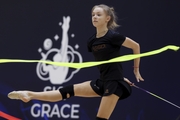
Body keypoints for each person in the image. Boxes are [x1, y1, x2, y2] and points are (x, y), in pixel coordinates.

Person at [8, 4, 144, 120]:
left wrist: (135, 69)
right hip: (104, 80)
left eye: (98, 15)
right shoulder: (92, 41)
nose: (95, 17)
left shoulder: (113, 36)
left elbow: (136, 46)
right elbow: (106, 63)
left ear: (107, 19)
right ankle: (29, 94)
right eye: (93, 15)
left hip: (114, 84)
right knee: (67, 91)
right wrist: (119, 75)